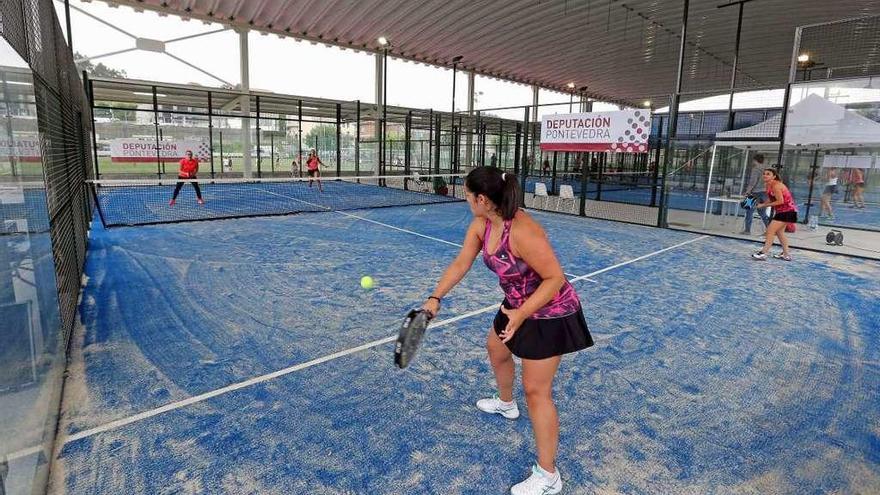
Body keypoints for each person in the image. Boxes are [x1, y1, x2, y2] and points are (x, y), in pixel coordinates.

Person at [422, 166, 593, 495]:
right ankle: (505, 403)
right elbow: (462, 262)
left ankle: (548, 475)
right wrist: (435, 297)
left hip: (550, 313)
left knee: (536, 391)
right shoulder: (481, 225)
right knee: (496, 349)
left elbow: (554, 278)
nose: (466, 200)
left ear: (483, 199)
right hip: (515, 305)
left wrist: (522, 314)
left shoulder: (524, 231)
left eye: (468, 195)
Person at [751, 168, 798, 261]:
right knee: (780, 233)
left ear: (774, 176)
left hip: (788, 211)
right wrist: (761, 204)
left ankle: (763, 253)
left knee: (770, 231)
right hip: (783, 212)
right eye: (764, 174)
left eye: (768, 174)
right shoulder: (768, 185)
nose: (765, 175)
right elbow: (771, 199)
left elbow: (780, 201)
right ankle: (786, 255)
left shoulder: (776, 186)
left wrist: (765, 205)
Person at [739, 153, 770, 235]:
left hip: (755, 192)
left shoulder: (755, 169)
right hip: (765, 193)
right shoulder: (767, 169)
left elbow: (753, 182)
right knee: (763, 213)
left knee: (749, 211)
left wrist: (747, 192)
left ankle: (747, 230)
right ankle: (770, 230)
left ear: (755, 160)